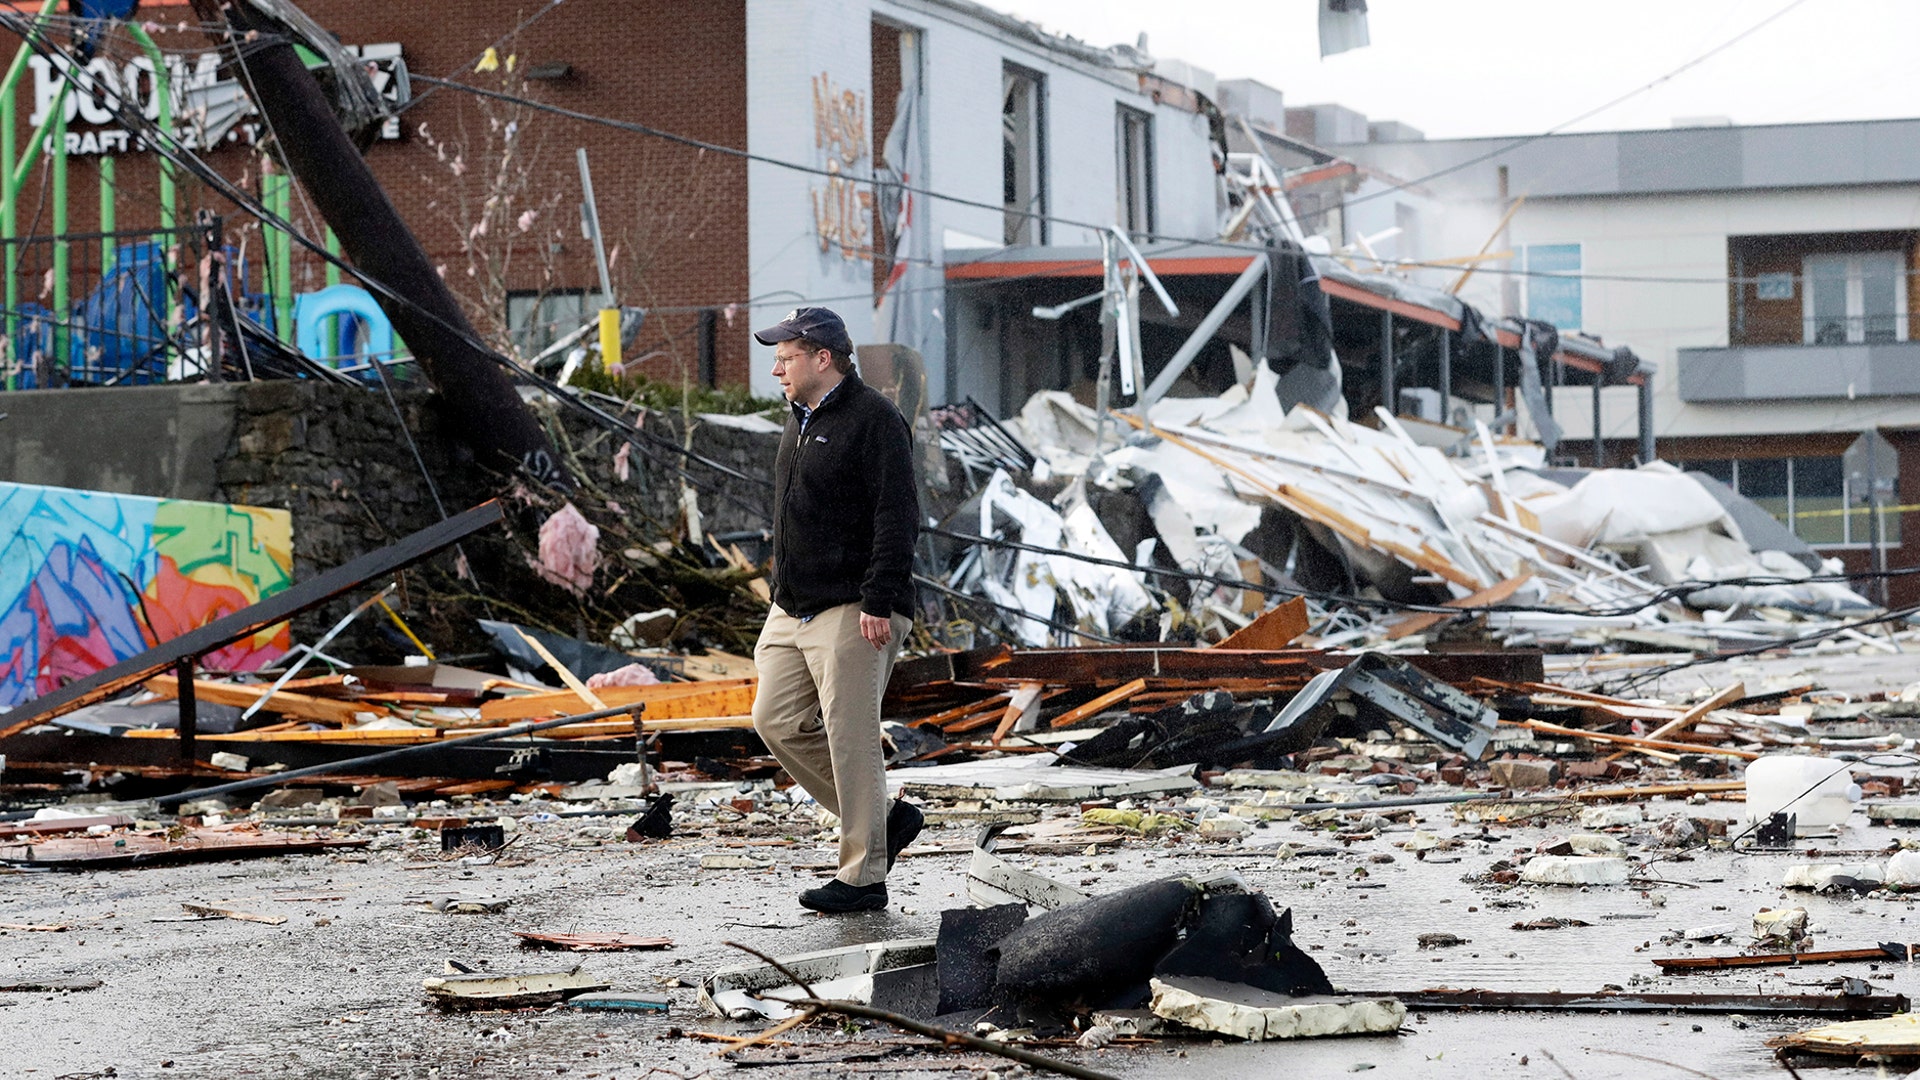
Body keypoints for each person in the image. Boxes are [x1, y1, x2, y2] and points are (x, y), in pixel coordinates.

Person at [749, 307, 923, 913]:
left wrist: (879, 598)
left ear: (824, 358)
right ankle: (889, 821)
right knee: (776, 721)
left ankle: (863, 877)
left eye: (786, 357)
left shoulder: (875, 419)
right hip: (793, 606)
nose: (776, 369)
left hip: (855, 607)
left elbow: (897, 515)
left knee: (851, 743)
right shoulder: (799, 419)